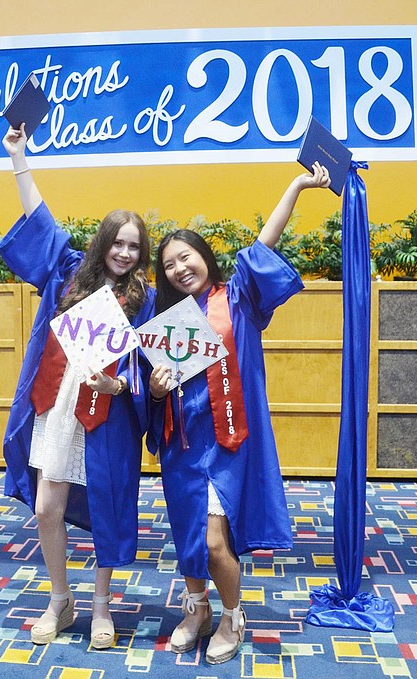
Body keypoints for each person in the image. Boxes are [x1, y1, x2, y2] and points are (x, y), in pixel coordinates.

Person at [147, 162, 331, 665]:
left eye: (187, 257)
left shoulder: (239, 297)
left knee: (212, 541)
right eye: (169, 265)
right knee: (187, 531)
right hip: (181, 444)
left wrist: (296, 186)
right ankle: (196, 609)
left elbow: (264, 244)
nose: (181, 268)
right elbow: (154, 390)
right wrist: (158, 391)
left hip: (227, 441)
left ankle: (232, 615)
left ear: (205, 257)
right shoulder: (164, 321)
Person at [0, 124, 155, 649]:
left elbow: (150, 358)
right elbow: (40, 222)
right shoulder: (70, 273)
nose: (125, 253)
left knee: (108, 506)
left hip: (108, 408)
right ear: (103, 243)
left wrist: (124, 383)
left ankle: (101, 607)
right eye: (118, 242)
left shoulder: (146, 298)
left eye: (134, 246)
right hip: (58, 403)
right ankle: (59, 599)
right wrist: (20, 159)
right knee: (47, 508)